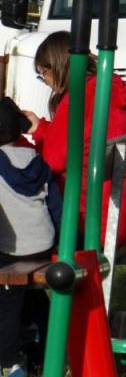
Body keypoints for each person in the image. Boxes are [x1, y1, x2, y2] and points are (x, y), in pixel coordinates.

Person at [22, 30, 126, 247]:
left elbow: (51, 162)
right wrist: (41, 128)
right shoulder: (107, 89)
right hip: (117, 217)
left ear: (57, 67)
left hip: (88, 223)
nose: (44, 81)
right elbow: (76, 144)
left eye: (42, 73)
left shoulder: (78, 99)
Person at [0, 98, 60, 377]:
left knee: (6, 304)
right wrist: (58, 242)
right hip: (44, 246)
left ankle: (9, 362)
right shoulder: (37, 160)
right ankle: (48, 344)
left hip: (13, 251)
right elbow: (56, 207)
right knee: (35, 298)